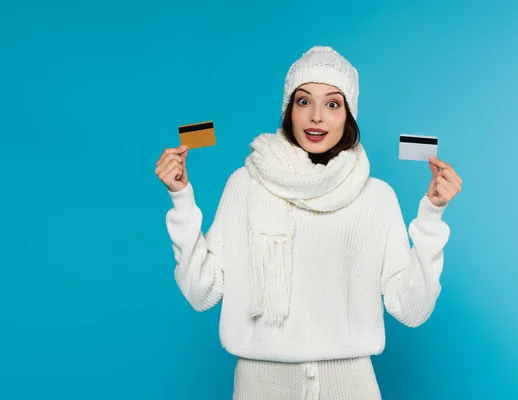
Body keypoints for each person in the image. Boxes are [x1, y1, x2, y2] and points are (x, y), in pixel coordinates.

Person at [154, 46, 462, 399]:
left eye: (333, 103)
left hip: (351, 385)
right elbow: (200, 292)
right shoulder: (245, 184)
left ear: (349, 115)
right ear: (289, 110)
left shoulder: (376, 197)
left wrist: (432, 215)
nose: (316, 116)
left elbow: (412, 310)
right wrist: (181, 199)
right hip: (261, 385)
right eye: (304, 101)